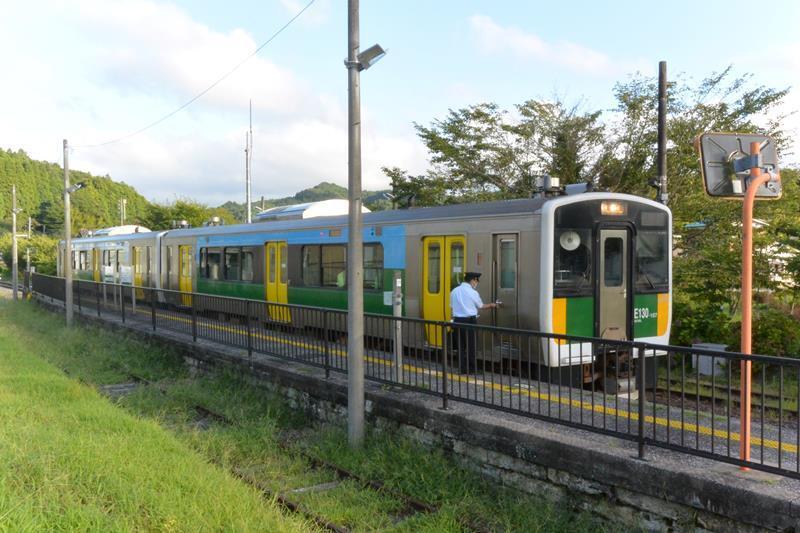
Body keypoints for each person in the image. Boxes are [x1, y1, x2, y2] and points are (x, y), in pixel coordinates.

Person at [450, 272, 499, 374]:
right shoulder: (472, 292)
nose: (476, 284)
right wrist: (492, 305)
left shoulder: (454, 291)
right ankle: (472, 369)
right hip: (469, 321)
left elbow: (451, 306)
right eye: (476, 281)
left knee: (460, 346)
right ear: (473, 280)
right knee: (471, 346)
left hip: (457, 321)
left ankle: (462, 368)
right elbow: (481, 306)